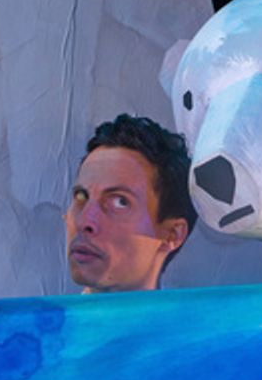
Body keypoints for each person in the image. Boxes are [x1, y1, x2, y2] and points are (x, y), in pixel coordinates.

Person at [65, 114, 197, 293]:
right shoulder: (28, 319)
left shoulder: (202, 320)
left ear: (172, 234)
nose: (84, 222)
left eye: (120, 202)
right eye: (81, 196)